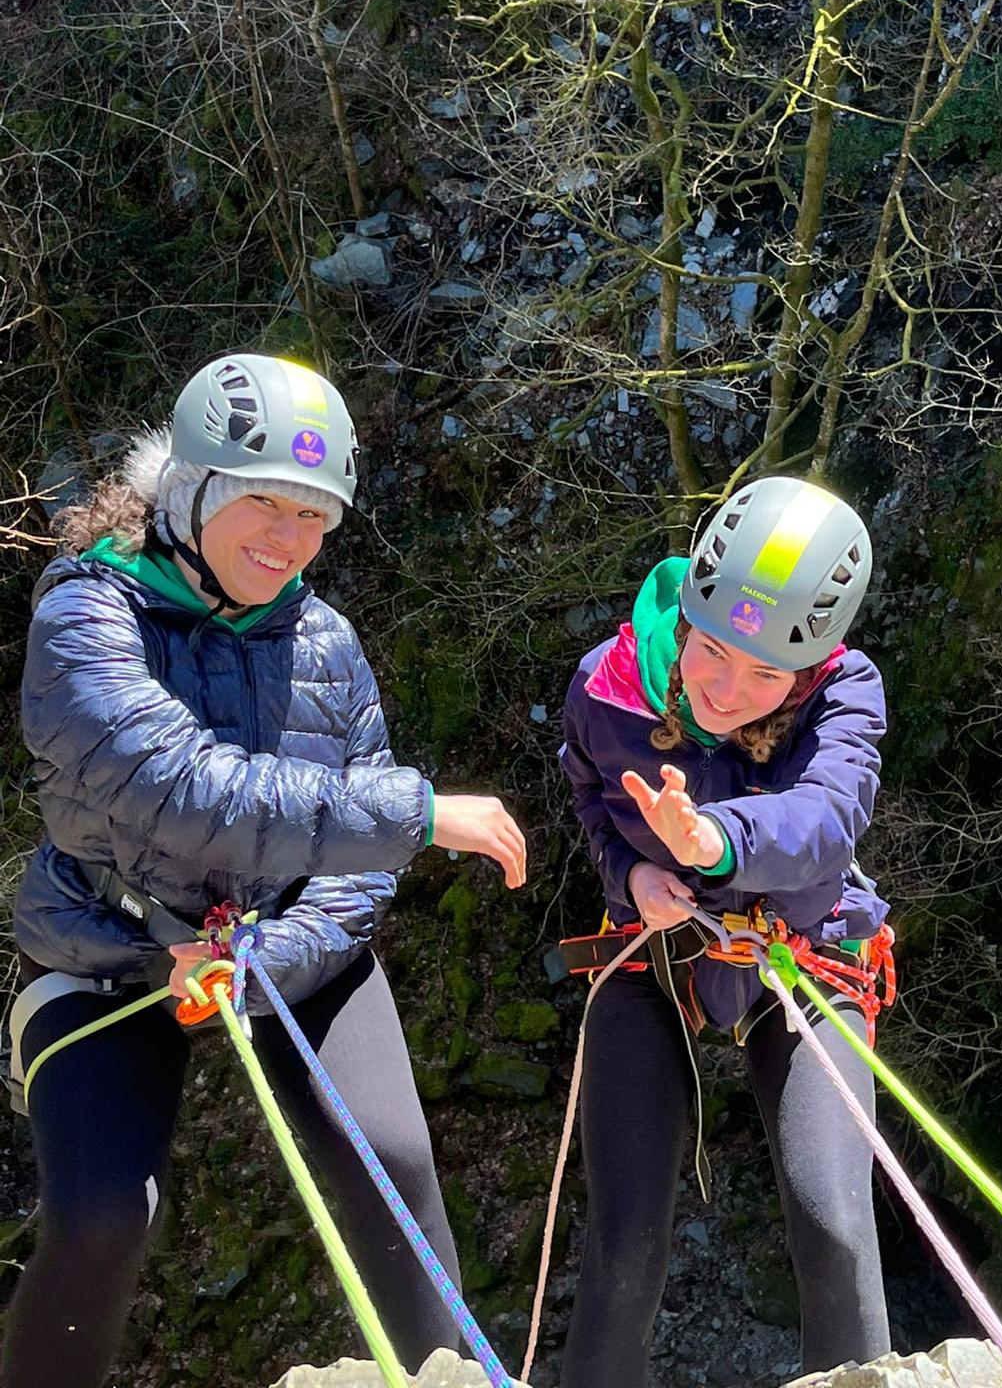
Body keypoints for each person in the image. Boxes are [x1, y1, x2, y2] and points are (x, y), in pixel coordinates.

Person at [2, 352, 527, 1388]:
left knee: (393, 1166)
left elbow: (355, 872)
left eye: (317, 518)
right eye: (266, 506)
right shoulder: (86, 615)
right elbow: (182, 790)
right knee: (106, 1213)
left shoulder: (324, 638)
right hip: (110, 953)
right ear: (192, 488)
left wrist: (262, 959)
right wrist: (421, 812)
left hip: (283, 950)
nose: (291, 542)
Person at [557, 475, 892, 1388]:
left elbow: (830, 816)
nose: (727, 689)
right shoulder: (611, 685)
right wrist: (629, 872)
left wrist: (713, 842)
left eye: (765, 674)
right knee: (624, 1234)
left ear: (811, 665)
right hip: (653, 955)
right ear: (692, 614)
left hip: (808, 948)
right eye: (713, 652)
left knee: (832, 1220)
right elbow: (592, 795)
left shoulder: (845, 695)